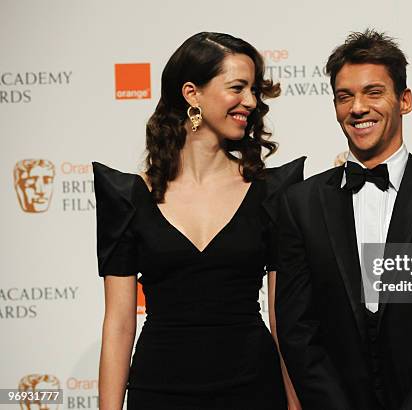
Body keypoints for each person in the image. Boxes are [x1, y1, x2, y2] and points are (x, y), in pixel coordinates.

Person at [275, 29, 412, 410]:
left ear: (404, 100)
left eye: (373, 93)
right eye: (345, 96)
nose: (357, 108)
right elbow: (297, 331)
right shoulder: (300, 205)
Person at [94, 32, 302, 410]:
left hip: (253, 389)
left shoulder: (272, 192)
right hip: (160, 391)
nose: (251, 102)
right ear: (192, 94)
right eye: (238, 88)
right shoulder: (127, 196)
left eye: (254, 90)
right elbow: (120, 324)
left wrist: (294, 403)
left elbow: (283, 316)